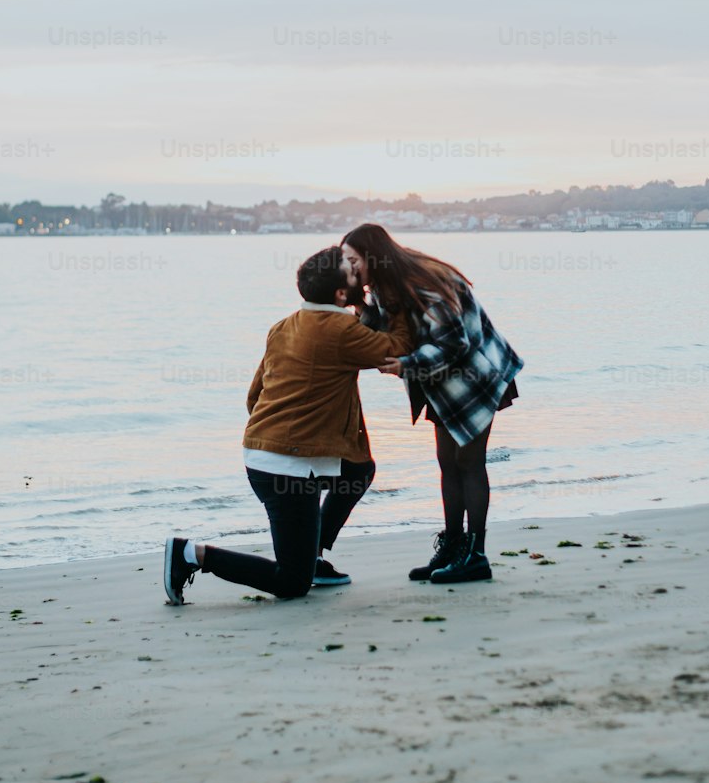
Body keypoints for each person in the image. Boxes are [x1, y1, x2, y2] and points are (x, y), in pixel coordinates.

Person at [163, 246, 410, 605]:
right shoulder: (341, 330)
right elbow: (396, 347)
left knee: (359, 469)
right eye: (353, 273)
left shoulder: (283, 326)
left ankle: (312, 551)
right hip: (287, 468)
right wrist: (398, 301)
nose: (361, 276)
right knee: (293, 583)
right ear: (341, 294)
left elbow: (254, 396)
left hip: (263, 453)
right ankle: (191, 555)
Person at [341, 224, 522, 585]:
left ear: (373, 254)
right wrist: (359, 304)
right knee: (446, 462)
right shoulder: (381, 285)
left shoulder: (426, 280)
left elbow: (454, 343)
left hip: (477, 375)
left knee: (469, 462)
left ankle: (477, 555)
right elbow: (390, 330)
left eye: (352, 259)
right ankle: (452, 547)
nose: (349, 267)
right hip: (442, 382)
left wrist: (406, 364)